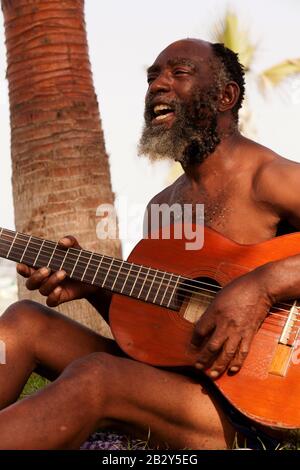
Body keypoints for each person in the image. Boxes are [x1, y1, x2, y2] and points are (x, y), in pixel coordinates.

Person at [0, 38, 300, 450]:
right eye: (153, 76)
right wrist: (95, 289)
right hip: (176, 386)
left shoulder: (270, 177)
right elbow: (161, 333)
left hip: (250, 408)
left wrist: (263, 285)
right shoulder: (165, 205)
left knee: (97, 376)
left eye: (179, 73)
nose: (158, 84)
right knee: (23, 322)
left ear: (225, 96)